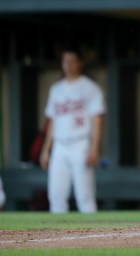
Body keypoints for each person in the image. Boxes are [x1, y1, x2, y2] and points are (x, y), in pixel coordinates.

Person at [39, 48, 105, 213]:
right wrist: (46, 149)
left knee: (85, 196)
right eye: (65, 61)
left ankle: (92, 237)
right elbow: (52, 121)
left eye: (72, 61)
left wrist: (94, 148)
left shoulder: (90, 87)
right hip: (60, 145)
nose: (68, 65)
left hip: (80, 143)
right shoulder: (56, 89)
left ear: (80, 63)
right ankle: (58, 237)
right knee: (56, 196)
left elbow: (97, 120)